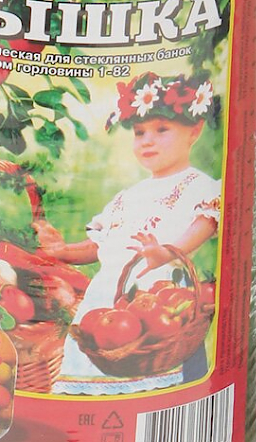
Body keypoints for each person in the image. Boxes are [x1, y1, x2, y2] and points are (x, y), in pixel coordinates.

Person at [37, 72, 221, 395]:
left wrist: (168, 252)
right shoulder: (129, 195)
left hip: (160, 302)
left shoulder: (197, 184)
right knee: (91, 380)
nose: (147, 140)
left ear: (194, 131)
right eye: (139, 133)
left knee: (160, 380)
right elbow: (100, 245)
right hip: (105, 307)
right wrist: (63, 251)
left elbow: (206, 221)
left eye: (162, 130)